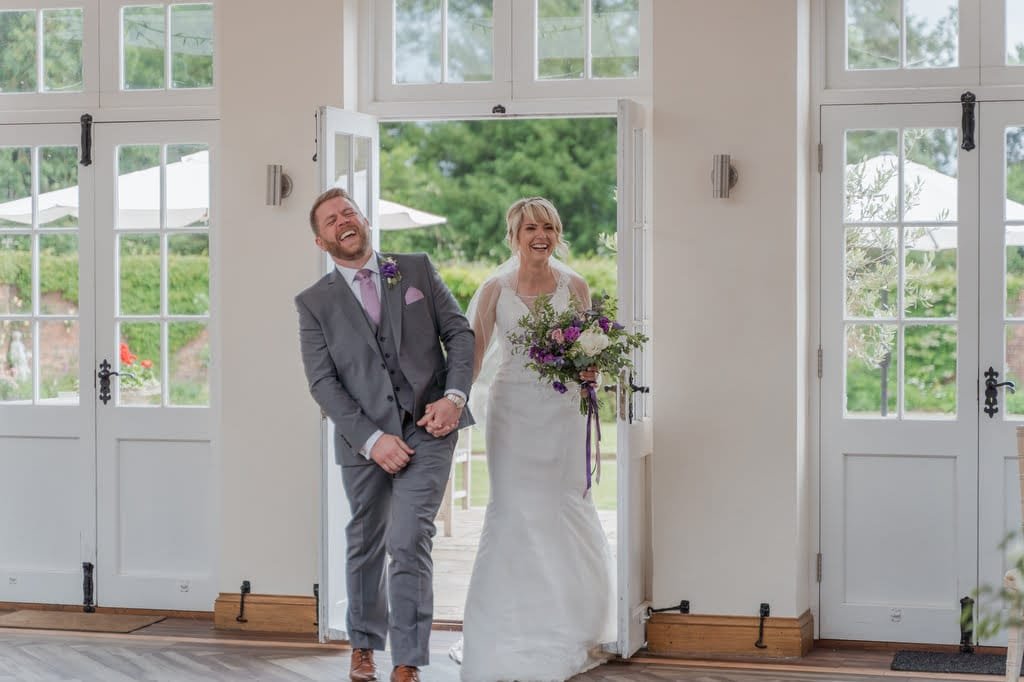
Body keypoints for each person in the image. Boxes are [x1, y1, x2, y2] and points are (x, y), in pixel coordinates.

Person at [295, 187, 475, 682]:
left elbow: (459, 333)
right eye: (332, 220)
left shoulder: (413, 268)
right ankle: (363, 645)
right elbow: (322, 382)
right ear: (321, 240)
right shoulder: (314, 303)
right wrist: (374, 440)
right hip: (364, 440)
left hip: (430, 426)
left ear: (364, 220)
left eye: (349, 211)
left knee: (408, 535)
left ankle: (408, 658)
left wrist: (454, 398)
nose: (343, 220)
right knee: (365, 538)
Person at [454, 197, 616, 681]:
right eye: (530, 228)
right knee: (512, 511)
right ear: (514, 235)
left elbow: (593, 351)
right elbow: (475, 358)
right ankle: (504, 625)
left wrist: (592, 370)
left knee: (560, 508)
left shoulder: (577, 286)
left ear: (557, 233)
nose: (539, 235)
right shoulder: (493, 290)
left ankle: (573, 622)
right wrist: (451, 402)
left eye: (547, 227)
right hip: (511, 414)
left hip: (562, 414)